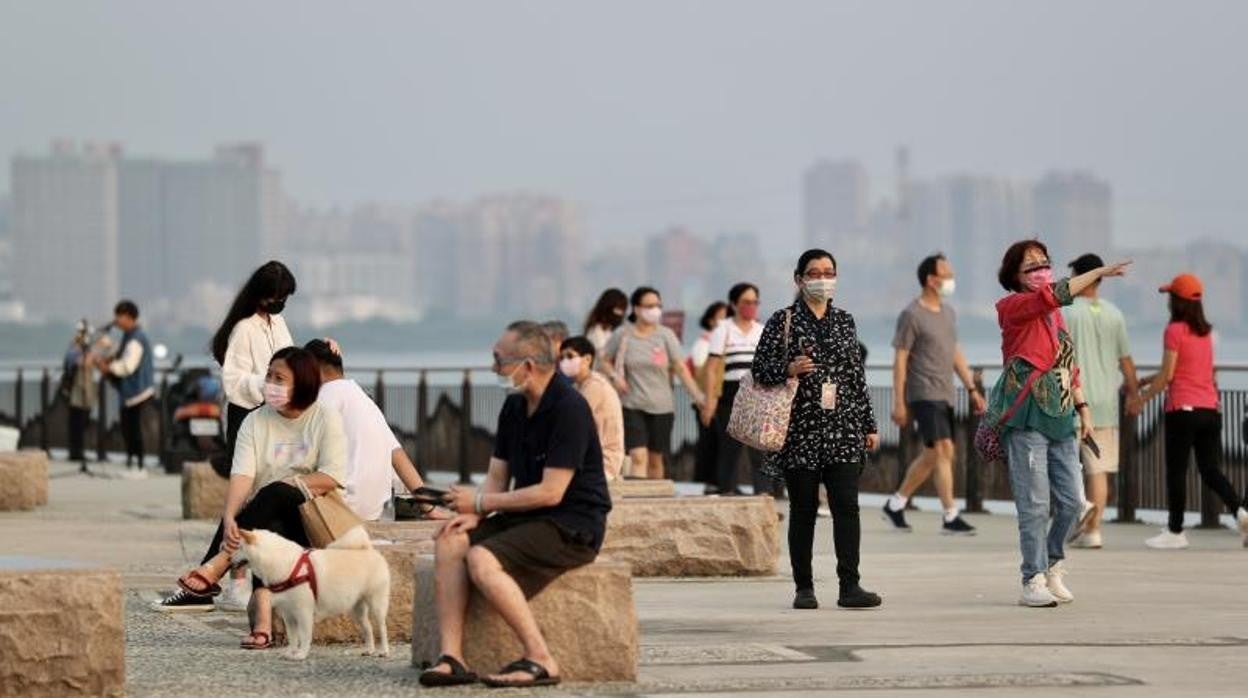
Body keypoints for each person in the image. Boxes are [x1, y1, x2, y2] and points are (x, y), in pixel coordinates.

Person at [419, 321, 612, 689]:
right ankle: (452, 658)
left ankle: (541, 658)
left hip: (573, 524)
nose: (494, 369)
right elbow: (496, 477)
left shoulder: (569, 407)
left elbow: (552, 493)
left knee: (481, 558)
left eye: (499, 361)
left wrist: (480, 500)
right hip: (529, 516)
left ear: (527, 365)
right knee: (449, 539)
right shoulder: (513, 407)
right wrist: (472, 513)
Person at [151, 347, 347, 654]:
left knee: (275, 493)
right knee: (268, 521)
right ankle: (262, 624)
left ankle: (217, 567)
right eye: (268, 375)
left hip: (309, 519)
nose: (269, 382)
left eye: (278, 378)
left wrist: (287, 483)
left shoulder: (324, 417)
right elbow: (242, 475)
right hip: (266, 521)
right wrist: (229, 516)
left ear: (303, 384)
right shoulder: (255, 421)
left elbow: (331, 476)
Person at [991, 239, 1129, 607]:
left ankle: (1052, 563)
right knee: (1034, 504)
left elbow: (1068, 362)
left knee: (1074, 502)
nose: (1040, 269)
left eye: (1043, 262)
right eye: (1031, 265)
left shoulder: (1056, 315)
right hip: (1027, 417)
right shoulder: (1012, 307)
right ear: (1015, 276)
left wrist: (1083, 408)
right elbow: (1050, 297)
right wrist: (1097, 273)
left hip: (1062, 415)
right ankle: (1032, 579)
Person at [752, 249, 881, 611]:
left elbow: (857, 377)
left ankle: (849, 586)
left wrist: (868, 424)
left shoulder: (845, 321)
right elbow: (759, 369)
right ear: (799, 279)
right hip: (800, 430)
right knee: (804, 509)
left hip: (842, 428)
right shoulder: (783, 320)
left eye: (828, 272)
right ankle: (804, 587)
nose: (822, 278)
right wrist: (788, 368)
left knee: (847, 508)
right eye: (814, 272)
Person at [208, 260, 297, 611]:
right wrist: (267, 386)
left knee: (257, 499)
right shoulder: (244, 329)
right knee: (246, 499)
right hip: (248, 416)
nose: (281, 303)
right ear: (264, 295)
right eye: (278, 296)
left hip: (274, 416)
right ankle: (234, 578)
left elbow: (292, 359)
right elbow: (233, 381)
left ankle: (215, 568)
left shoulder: (279, 324)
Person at [1136, 273, 1248, 549]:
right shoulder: (1209, 333)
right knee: (1210, 469)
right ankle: (1240, 511)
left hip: (1182, 410)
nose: (1168, 302)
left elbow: (1169, 375)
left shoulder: (1174, 330)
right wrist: (1150, 379)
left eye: (1170, 297)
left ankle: (1175, 532)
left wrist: (1141, 398)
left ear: (1178, 301)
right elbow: (1198, 370)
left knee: (1176, 471)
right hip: (1210, 408)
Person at [883, 254, 986, 535]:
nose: (951, 279)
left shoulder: (948, 312)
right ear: (931, 279)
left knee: (932, 454)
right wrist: (898, 402)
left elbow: (955, 353)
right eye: (947, 273)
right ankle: (950, 516)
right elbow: (900, 359)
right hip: (923, 392)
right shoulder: (911, 314)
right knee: (943, 450)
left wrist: (972, 389)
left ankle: (896, 503)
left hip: (945, 392)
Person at [304, 339, 447, 520]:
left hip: (341, 509)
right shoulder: (363, 399)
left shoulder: (324, 397)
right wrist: (429, 508)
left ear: (313, 369)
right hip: (374, 511)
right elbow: (399, 457)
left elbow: (302, 454)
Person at [1062, 253, 1142, 549]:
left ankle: (1075, 520)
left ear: (1081, 278)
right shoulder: (1114, 314)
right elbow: (1126, 361)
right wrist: (1135, 395)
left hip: (1073, 401)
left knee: (1066, 467)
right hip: (1106, 405)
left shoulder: (1067, 313)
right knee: (1099, 470)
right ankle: (1094, 531)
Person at [601, 287, 706, 480]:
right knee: (638, 456)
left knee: (656, 459)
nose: (655, 310)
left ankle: (656, 501)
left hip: (662, 407)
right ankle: (638, 501)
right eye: (649, 306)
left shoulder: (666, 335)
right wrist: (615, 377)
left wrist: (698, 395)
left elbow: (680, 368)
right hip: (632, 404)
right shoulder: (623, 335)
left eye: (658, 305)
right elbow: (604, 359)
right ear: (636, 309)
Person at [702, 284, 775, 497]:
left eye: (755, 302)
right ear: (734, 304)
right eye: (746, 302)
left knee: (759, 448)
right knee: (730, 447)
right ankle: (728, 492)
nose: (751, 306)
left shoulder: (762, 331)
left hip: (757, 393)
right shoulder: (723, 329)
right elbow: (712, 368)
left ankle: (764, 495)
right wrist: (709, 400)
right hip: (730, 393)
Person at [95, 300, 155, 475]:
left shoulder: (136, 338)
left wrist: (109, 367)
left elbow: (128, 366)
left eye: (119, 316)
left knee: (134, 430)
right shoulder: (130, 336)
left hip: (138, 393)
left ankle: (139, 466)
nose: (116, 320)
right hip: (131, 393)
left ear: (129, 317)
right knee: (129, 429)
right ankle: (133, 464)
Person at [559, 336, 626, 480]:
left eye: (570, 356)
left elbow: (570, 422)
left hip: (603, 463)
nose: (565, 362)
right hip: (589, 459)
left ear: (588, 359)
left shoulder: (594, 386)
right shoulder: (579, 386)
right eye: (562, 358)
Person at [691, 301, 728, 493]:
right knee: (707, 445)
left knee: (720, 444)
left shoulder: (725, 344)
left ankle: (720, 482)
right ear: (711, 319)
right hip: (706, 401)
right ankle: (705, 483)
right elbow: (701, 372)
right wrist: (707, 402)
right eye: (721, 316)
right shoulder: (703, 343)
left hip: (721, 400)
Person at [62, 319, 98, 470]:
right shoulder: (74, 348)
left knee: (84, 422)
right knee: (76, 422)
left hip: (87, 390)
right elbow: (75, 363)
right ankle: (75, 451)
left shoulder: (89, 348)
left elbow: (93, 362)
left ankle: (81, 450)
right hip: (76, 390)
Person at [583, 288, 629, 356]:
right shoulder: (596, 332)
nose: (620, 313)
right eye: (618, 308)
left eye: (622, 309)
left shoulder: (615, 330)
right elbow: (604, 357)